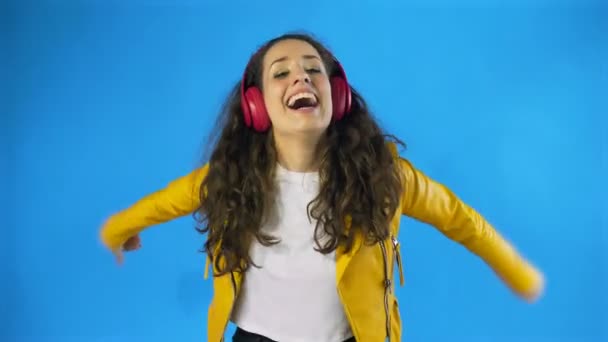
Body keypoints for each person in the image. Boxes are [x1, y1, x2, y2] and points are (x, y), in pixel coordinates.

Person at [99, 32, 545, 342]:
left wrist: (520, 274)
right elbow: (164, 203)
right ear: (256, 106)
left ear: (338, 96)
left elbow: (459, 219)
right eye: (281, 72)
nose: (301, 77)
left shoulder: (385, 175)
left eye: (314, 69)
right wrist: (117, 229)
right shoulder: (229, 176)